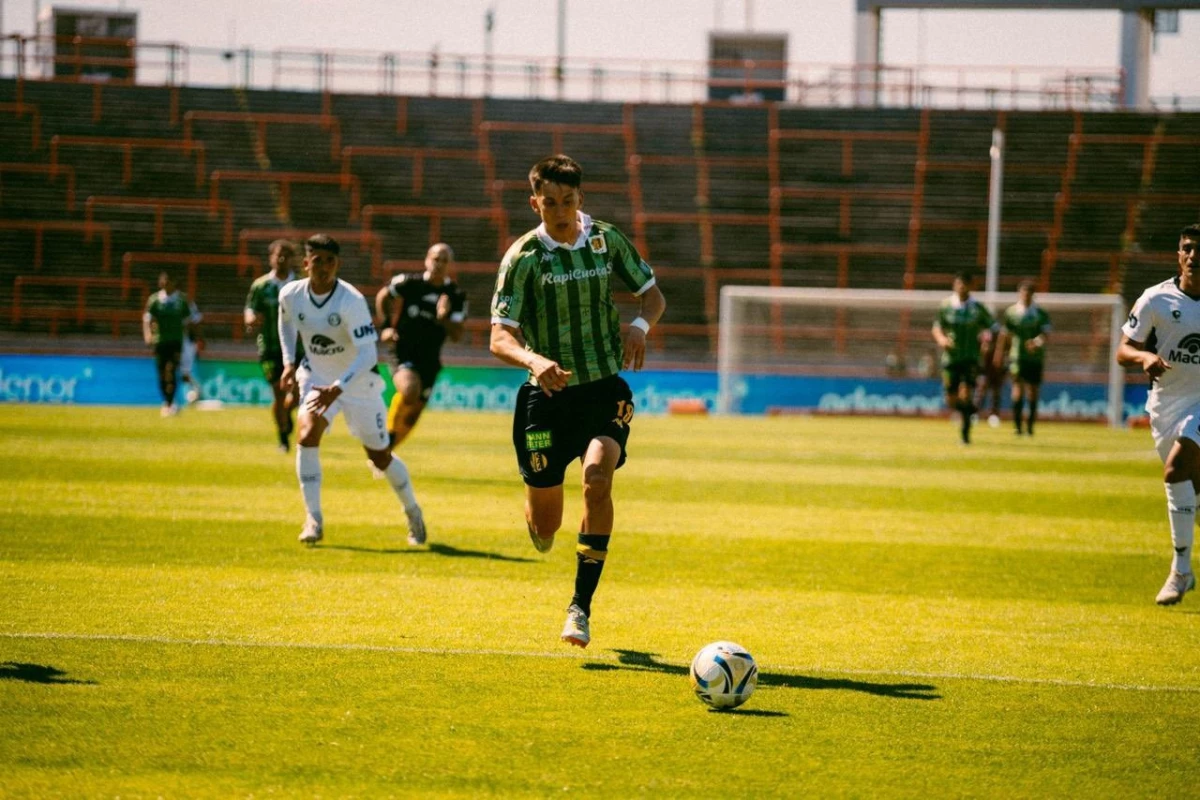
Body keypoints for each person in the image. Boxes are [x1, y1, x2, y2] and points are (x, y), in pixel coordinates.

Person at [489, 154, 666, 649]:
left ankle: (579, 609)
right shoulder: (523, 257)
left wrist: (639, 326)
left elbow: (652, 296)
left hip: (604, 390)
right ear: (535, 202)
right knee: (547, 526)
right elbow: (499, 336)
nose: (560, 210)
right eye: (550, 202)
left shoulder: (605, 241)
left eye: (568, 200)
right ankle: (537, 511)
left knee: (596, 478)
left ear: (580, 200)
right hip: (546, 399)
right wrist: (533, 360)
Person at [279, 234, 427, 547]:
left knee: (379, 456)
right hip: (317, 377)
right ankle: (313, 519)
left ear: (337, 265)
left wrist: (339, 386)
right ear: (306, 263)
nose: (323, 268)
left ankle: (413, 510)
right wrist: (289, 363)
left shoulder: (350, 300)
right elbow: (287, 324)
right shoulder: (290, 295)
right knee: (306, 435)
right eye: (317, 261)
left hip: (358, 383)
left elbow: (368, 354)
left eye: (329, 262)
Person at [1117, 223, 1200, 606]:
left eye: (1199, 249)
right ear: (1178, 254)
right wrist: (1144, 356)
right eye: (1188, 248)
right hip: (1166, 408)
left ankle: (1180, 571)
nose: (1194, 256)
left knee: (1175, 469)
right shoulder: (1156, 299)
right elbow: (1123, 351)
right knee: (1193, 500)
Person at [375, 242, 467, 447]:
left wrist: (444, 317)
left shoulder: (456, 295)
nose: (439, 264)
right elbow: (383, 296)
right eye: (436, 258)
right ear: (427, 259)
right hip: (403, 351)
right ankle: (386, 436)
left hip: (430, 359)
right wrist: (386, 327)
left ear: (450, 265)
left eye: (444, 260)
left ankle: (387, 450)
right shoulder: (409, 283)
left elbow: (457, 335)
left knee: (412, 415)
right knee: (409, 390)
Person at [246, 239, 302, 451]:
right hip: (269, 348)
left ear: (292, 260)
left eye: (286, 256)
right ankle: (282, 438)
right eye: (277, 255)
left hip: (297, 350)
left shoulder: (299, 285)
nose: (281, 259)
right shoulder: (261, 286)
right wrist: (250, 319)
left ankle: (287, 415)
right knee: (278, 393)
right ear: (270, 258)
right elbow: (250, 309)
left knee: (297, 394)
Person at [932, 271, 996, 445]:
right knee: (951, 399)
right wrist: (942, 340)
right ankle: (970, 411)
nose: (961, 287)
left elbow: (992, 327)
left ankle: (965, 435)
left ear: (970, 286)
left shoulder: (977, 308)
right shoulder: (946, 306)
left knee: (966, 393)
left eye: (964, 284)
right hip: (951, 359)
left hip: (970, 358)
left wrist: (986, 340)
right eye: (958, 283)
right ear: (955, 285)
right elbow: (937, 327)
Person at [142, 272, 200, 417]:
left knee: (171, 370)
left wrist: (196, 338)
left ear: (174, 283)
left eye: (167, 281)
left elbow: (190, 321)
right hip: (160, 341)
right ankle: (167, 401)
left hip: (176, 341)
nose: (164, 284)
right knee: (162, 373)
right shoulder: (154, 300)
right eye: (162, 281)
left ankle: (170, 403)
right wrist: (148, 335)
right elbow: (147, 319)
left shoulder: (181, 301)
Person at [998, 280, 1051, 436]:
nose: (1025, 296)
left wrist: (1036, 342)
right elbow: (1005, 335)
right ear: (1019, 293)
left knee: (1032, 392)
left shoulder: (1041, 314)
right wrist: (1001, 354)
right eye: (1023, 292)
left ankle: (1030, 426)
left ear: (1032, 295)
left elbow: (1046, 335)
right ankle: (1017, 426)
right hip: (1017, 357)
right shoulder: (1011, 313)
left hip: (1035, 358)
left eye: (1028, 293)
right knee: (1017, 389)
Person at [180, 306, 205, 405]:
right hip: (177, 341)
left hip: (188, 343)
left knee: (187, 370)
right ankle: (195, 390)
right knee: (183, 372)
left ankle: (195, 391)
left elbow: (196, 322)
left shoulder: (187, 304)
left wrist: (200, 338)